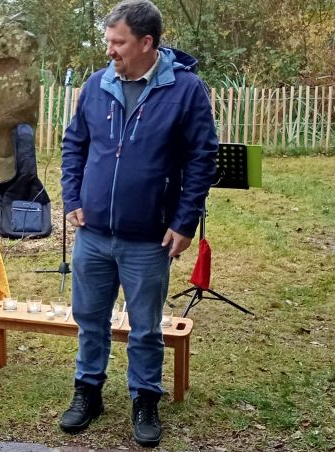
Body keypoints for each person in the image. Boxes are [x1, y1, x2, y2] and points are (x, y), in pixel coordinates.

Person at [58, 0, 219, 447]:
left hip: (150, 236)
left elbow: (202, 159)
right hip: (93, 234)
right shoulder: (97, 84)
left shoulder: (185, 90)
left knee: (145, 327)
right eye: (108, 41)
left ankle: (145, 398)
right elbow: (74, 145)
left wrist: (185, 221)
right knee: (90, 319)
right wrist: (73, 197)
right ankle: (88, 392)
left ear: (147, 42)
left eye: (119, 42)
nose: (110, 50)